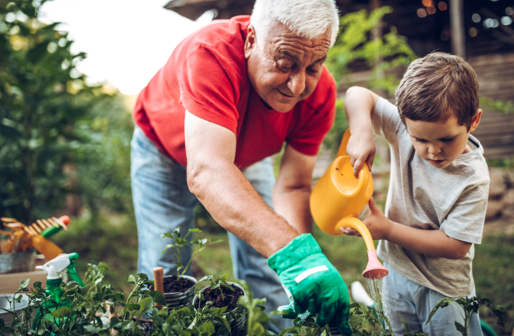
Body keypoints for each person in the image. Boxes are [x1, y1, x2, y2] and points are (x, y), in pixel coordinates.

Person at [130, 0, 351, 334]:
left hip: (245, 156)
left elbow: (293, 186)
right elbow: (208, 171)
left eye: (313, 67)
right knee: (167, 271)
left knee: (270, 261)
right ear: (251, 41)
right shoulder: (211, 53)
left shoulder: (319, 94)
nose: (298, 86)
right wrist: (292, 253)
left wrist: (306, 262)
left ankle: (286, 330)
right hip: (163, 149)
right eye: (285, 63)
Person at [341, 52, 488, 336]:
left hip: (444, 289)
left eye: (447, 139)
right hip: (395, 271)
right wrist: (362, 131)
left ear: (473, 121)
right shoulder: (401, 128)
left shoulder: (473, 178)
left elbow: (456, 246)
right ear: (404, 122)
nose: (433, 151)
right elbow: (358, 94)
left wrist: (387, 230)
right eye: (420, 139)